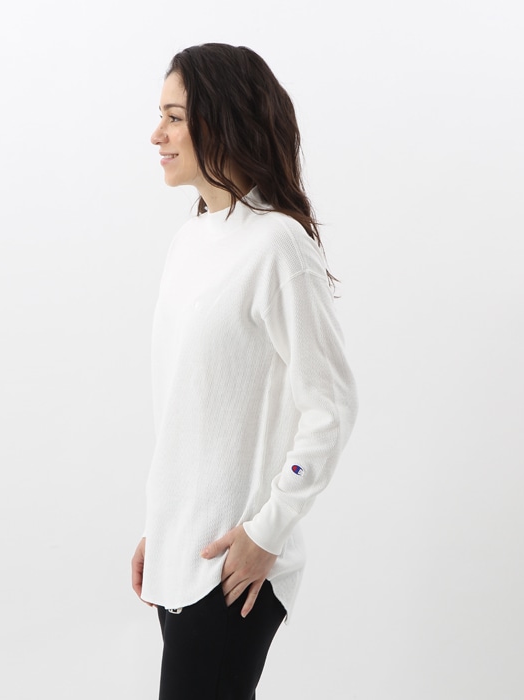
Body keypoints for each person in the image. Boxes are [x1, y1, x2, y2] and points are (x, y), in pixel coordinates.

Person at [131, 43, 358, 700]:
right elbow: (193, 406)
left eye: (174, 117)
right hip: (182, 555)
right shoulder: (191, 240)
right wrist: (164, 524)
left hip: (233, 567)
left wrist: (269, 529)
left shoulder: (278, 245)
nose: (157, 135)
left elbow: (332, 406)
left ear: (221, 121)